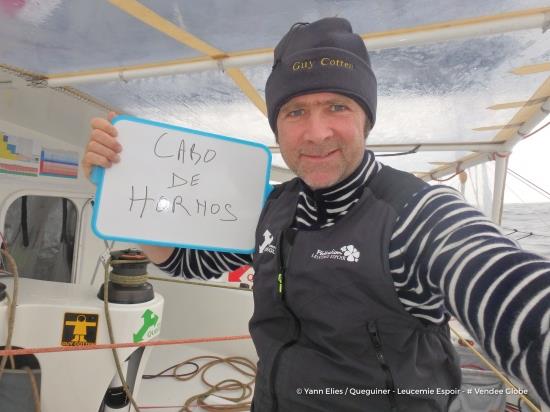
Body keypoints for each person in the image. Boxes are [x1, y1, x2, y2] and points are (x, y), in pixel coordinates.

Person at [83, 17, 550, 412]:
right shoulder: (271, 206)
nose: (316, 131)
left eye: (337, 106)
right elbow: (189, 261)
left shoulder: (415, 214)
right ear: (277, 126)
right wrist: (120, 193)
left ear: (366, 118)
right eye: (295, 111)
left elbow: (509, 292)